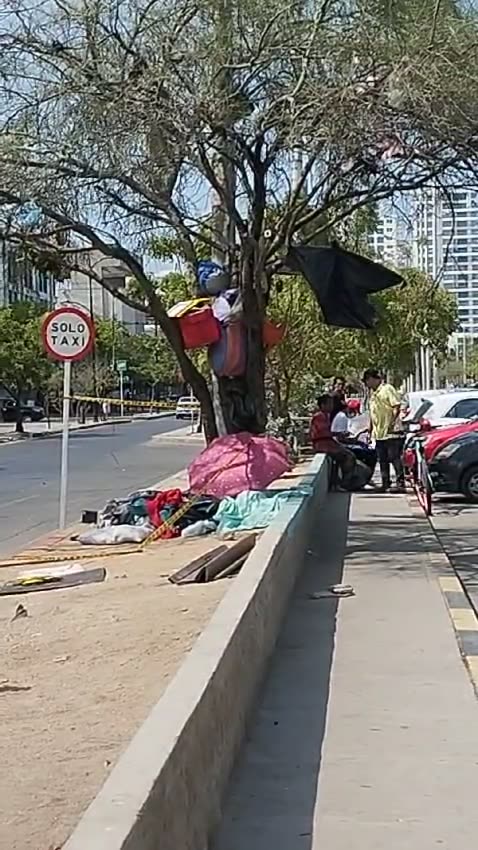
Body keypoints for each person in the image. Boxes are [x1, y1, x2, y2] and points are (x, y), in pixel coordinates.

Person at [363, 368, 405, 492]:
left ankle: (400, 483)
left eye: (367, 381)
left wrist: (392, 423)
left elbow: (396, 406)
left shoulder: (387, 389)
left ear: (372, 379)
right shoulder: (373, 394)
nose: (367, 384)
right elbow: (373, 413)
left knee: (394, 457)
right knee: (382, 459)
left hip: (390, 432)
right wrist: (370, 428)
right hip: (379, 433)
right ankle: (385, 482)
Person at [310, 394, 356, 486]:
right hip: (322, 444)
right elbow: (322, 432)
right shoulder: (319, 416)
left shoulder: (327, 415)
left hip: (328, 443)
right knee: (349, 456)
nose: (331, 406)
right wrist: (337, 434)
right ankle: (345, 483)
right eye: (329, 404)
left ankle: (337, 481)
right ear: (323, 405)